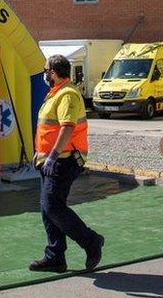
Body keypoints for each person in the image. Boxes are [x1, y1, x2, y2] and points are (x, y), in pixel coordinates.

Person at [29, 54, 104, 273]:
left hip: (64, 161)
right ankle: (55, 257)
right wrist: (42, 155)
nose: (44, 74)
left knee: (53, 205)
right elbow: (48, 129)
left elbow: (67, 127)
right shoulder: (55, 94)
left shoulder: (68, 95)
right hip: (49, 161)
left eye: (45, 71)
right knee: (47, 208)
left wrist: (52, 155)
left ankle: (91, 241)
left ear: (53, 72)